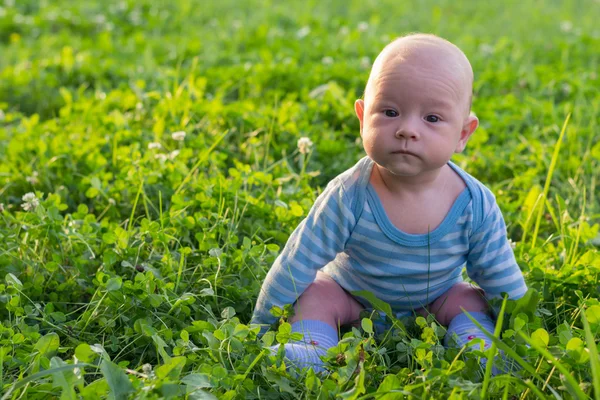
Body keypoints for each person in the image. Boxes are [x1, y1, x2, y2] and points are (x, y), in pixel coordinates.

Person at [251, 33, 527, 373]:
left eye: (432, 118)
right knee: (316, 292)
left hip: (434, 301)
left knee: (469, 299)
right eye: (390, 111)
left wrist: (525, 336)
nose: (407, 130)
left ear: (463, 134)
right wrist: (260, 329)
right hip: (351, 297)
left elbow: (500, 276)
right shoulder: (349, 194)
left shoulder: (473, 203)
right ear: (363, 116)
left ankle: (476, 352)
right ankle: (312, 351)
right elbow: (297, 262)